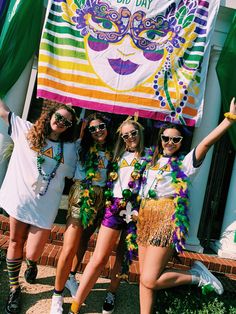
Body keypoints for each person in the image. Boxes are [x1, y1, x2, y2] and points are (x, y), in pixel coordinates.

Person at [136, 97, 236, 314]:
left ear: (182, 141)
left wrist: (229, 120)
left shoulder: (185, 165)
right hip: (144, 221)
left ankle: (197, 276)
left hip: (165, 222)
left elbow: (206, 144)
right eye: (166, 138)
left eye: (176, 139)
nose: (170, 143)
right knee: (144, 278)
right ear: (160, 139)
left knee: (150, 279)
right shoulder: (149, 162)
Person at [0, 98, 78, 314]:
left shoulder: (71, 150)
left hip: (45, 208)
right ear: (50, 115)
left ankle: (31, 264)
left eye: (67, 122)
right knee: (15, 241)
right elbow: (3, 109)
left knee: (33, 252)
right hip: (20, 201)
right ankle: (15, 288)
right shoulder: (26, 130)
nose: (61, 122)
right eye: (59, 117)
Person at [67, 116, 149, 314]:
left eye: (133, 133)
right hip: (113, 208)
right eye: (125, 135)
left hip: (136, 211)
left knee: (123, 256)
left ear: (140, 133)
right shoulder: (116, 154)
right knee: (99, 258)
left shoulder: (150, 157)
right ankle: (76, 305)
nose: (130, 137)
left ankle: (112, 292)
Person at [50, 112, 125, 314]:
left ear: (107, 128)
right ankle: (57, 296)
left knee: (83, 241)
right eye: (92, 128)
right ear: (87, 131)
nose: (97, 131)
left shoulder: (114, 150)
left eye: (100, 126)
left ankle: (71, 276)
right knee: (69, 246)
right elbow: (57, 146)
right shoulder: (78, 146)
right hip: (81, 195)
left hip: (101, 200)